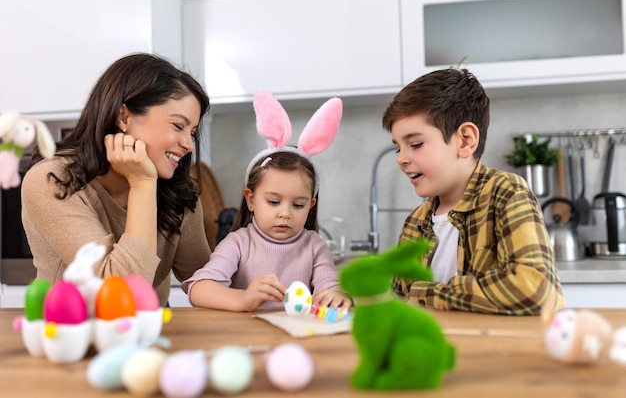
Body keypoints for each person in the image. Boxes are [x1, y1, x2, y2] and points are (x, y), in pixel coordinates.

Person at [21, 53, 212, 306]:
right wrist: (142, 183)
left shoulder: (177, 192)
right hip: (72, 331)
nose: (188, 144)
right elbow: (118, 294)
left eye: (193, 132)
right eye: (178, 126)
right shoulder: (53, 179)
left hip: (151, 328)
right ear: (123, 118)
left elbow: (205, 279)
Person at [381, 68, 565, 316]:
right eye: (398, 149)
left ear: (465, 140)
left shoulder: (505, 192)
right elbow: (399, 304)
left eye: (415, 145)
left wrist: (426, 293)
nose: (401, 159)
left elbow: (535, 289)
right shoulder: (415, 222)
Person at [183, 90, 351, 311]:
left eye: (298, 205)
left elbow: (330, 287)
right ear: (251, 200)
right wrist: (244, 299)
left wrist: (336, 296)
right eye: (273, 202)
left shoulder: (314, 246)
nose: (285, 213)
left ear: (311, 206)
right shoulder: (238, 243)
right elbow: (199, 289)